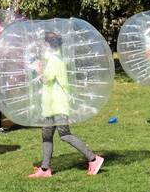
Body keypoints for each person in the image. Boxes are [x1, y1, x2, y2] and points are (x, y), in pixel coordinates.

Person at [29, 30, 105, 177]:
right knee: (46, 135)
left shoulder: (55, 61)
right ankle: (45, 169)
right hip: (50, 105)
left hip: (58, 105)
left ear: (46, 44)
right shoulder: (52, 59)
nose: (41, 47)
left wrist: (38, 69)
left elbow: (46, 79)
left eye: (42, 44)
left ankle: (93, 159)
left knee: (64, 134)